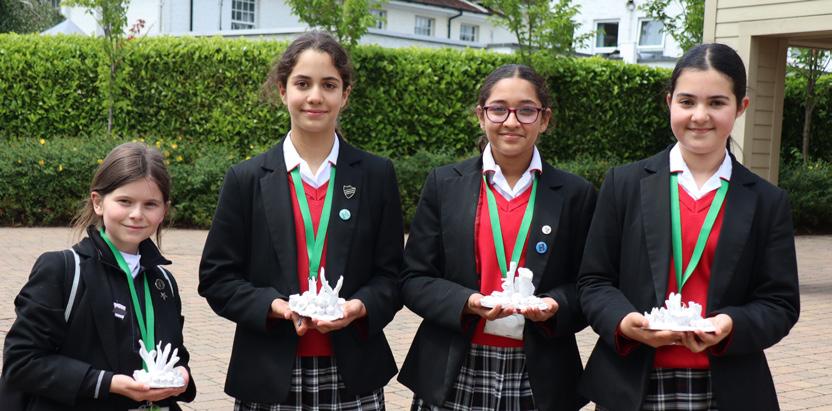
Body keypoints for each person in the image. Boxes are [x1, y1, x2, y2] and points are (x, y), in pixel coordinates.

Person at [577, 43, 800, 411]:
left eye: (716, 102)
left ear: (740, 107)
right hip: (631, 385)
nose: (699, 116)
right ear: (669, 103)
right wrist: (623, 321)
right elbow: (594, 281)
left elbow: (779, 303)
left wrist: (730, 324)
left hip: (728, 388)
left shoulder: (766, 201)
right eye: (687, 101)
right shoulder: (624, 185)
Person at [198, 31, 403, 410]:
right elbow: (217, 278)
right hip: (267, 372)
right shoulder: (246, 179)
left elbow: (392, 276)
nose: (315, 97)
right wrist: (274, 306)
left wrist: (360, 306)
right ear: (282, 90)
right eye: (302, 84)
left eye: (329, 85)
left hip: (353, 373)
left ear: (345, 94)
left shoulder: (376, 176)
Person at [398, 64, 597, 411]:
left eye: (526, 110)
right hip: (453, 367)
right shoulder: (445, 184)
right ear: (481, 115)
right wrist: (468, 302)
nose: (511, 121)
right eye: (499, 109)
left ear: (544, 119)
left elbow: (590, 285)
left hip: (540, 374)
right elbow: (414, 278)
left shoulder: (575, 194)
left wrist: (554, 306)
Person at [1, 142, 196, 410]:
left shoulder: (163, 282)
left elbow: (172, 354)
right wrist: (107, 383)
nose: (137, 214)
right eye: (125, 201)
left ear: (164, 211)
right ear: (98, 202)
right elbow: (21, 362)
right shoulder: (62, 269)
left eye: (150, 204)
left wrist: (181, 374)